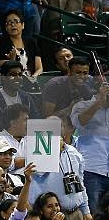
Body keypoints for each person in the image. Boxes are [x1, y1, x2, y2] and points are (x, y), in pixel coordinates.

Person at [28, 136, 92, 220]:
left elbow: (80, 183)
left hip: (77, 212)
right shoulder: (40, 152)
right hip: (53, 214)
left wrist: (86, 211)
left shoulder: (74, 152)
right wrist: (52, 152)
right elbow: (35, 174)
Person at [70, 84, 109, 214]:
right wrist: (99, 102)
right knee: (93, 213)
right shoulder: (82, 106)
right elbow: (80, 122)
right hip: (92, 171)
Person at [0, 61, 40, 132]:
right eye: (12, 75)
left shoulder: (27, 98)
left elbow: (35, 119)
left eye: (19, 74)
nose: (17, 77)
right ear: (3, 77)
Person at [0, 104, 29, 175]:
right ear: (13, 123)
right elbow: (8, 163)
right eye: (25, 120)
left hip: (31, 180)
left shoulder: (29, 139)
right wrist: (34, 160)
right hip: (8, 182)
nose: (29, 123)